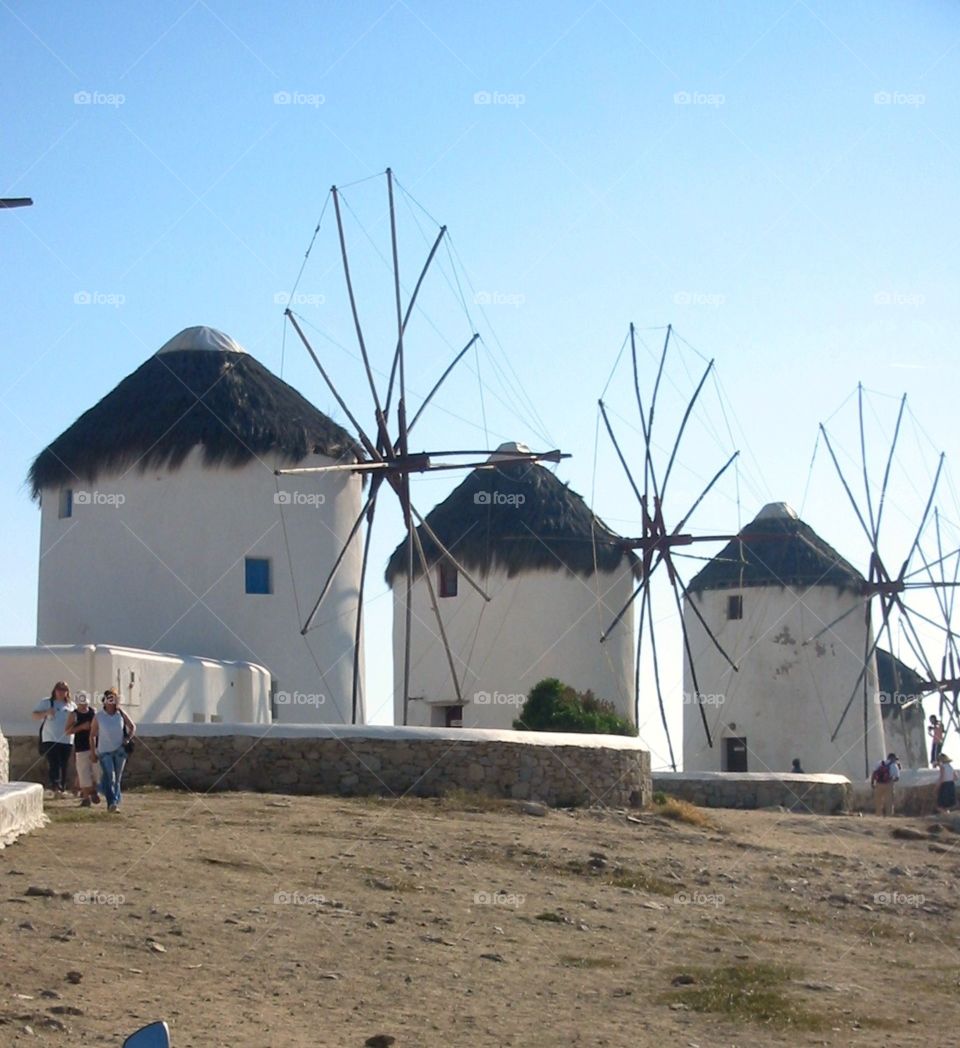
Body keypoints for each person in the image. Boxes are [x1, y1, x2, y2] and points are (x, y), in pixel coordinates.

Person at [90, 689, 136, 813]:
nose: (111, 701)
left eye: (113, 699)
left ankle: (114, 800)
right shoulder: (99, 716)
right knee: (111, 777)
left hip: (120, 750)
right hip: (105, 751)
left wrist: (127, 738)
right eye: (109, 699)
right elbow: (93, 735)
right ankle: (111, 803)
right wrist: (93, 752)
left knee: (117, 778)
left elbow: (132, 726)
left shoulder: (120, 714)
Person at [32, 681, 76, 798]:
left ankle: (62, 787)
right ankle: (55, 787)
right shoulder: (47, 702)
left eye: (64, 690)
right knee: (54, 763)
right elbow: (34, 715)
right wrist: (46, 713)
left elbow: (76, 719)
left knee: (64, 764)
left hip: (67, 739)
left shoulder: (71, 705)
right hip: (50, 738)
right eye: (59, 690)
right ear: (55, 691)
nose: (61, 692)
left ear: (67, 692)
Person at [65, 692, 100, 807]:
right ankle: (86, 797)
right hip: (81, 746)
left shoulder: (93, 712)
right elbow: (67, 731)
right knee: (83, 772)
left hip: (94, 746)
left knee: (96, 772)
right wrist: (81, 727)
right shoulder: (73, 715)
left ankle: (93, 791)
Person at [870, 752, 901, 816]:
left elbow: (874, 773)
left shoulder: (880, 763)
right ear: (892, 758)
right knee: (889, 801)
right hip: (889, 784)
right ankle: (889, 815)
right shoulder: (894, 765)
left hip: (878, 783)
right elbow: (897, 778)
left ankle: (878, 814)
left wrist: (872, 783)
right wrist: (891, 780)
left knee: (878, 800)